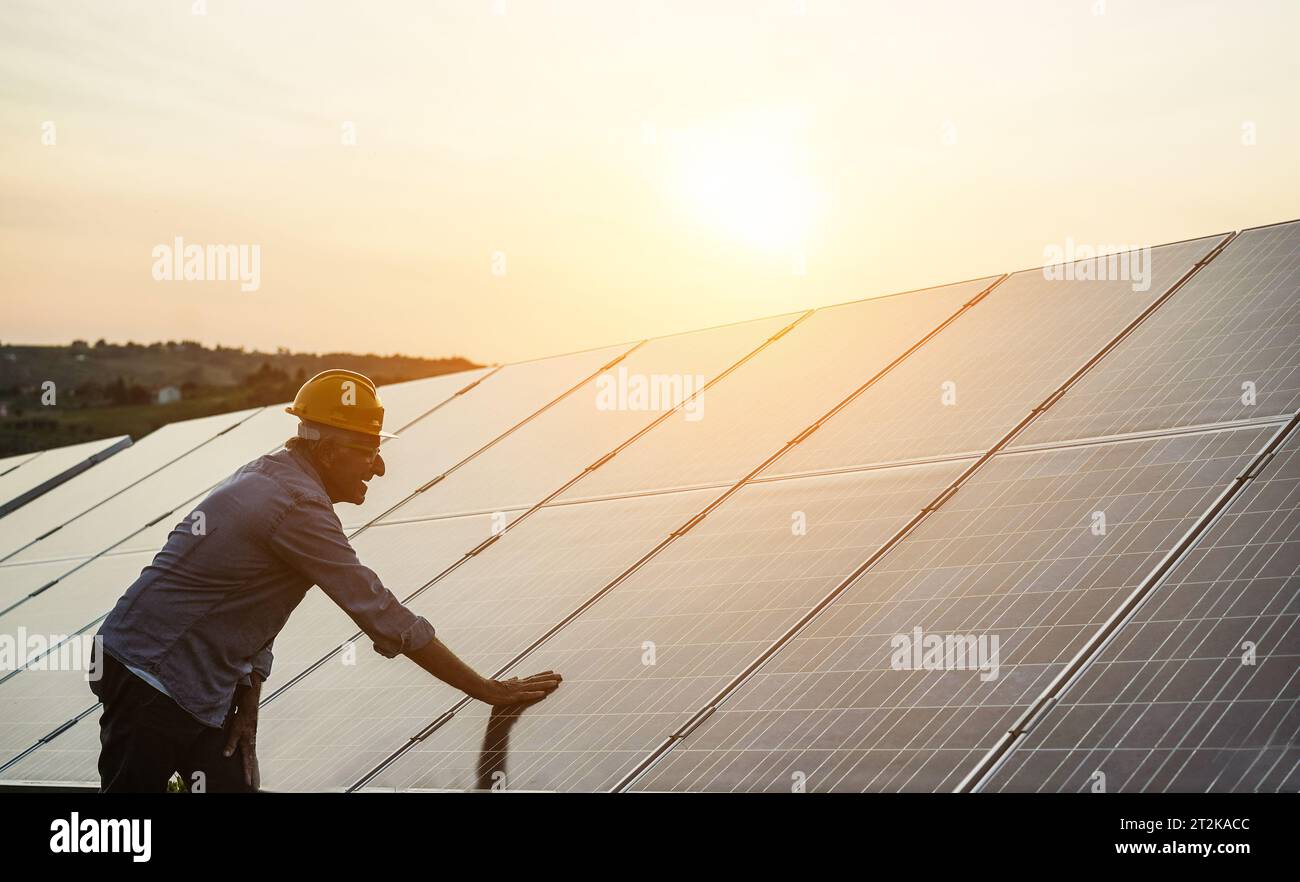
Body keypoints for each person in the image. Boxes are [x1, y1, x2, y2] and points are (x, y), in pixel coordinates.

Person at [89, 369, 561, 792]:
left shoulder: (276, 478)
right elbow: (380, 613)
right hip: (150, 673)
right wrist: (486, 690)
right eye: (368, 451)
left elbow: (256, 612)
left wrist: (248, 702)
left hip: (196, 680)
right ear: (329, 450)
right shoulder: (295, 506)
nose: (379, 467)